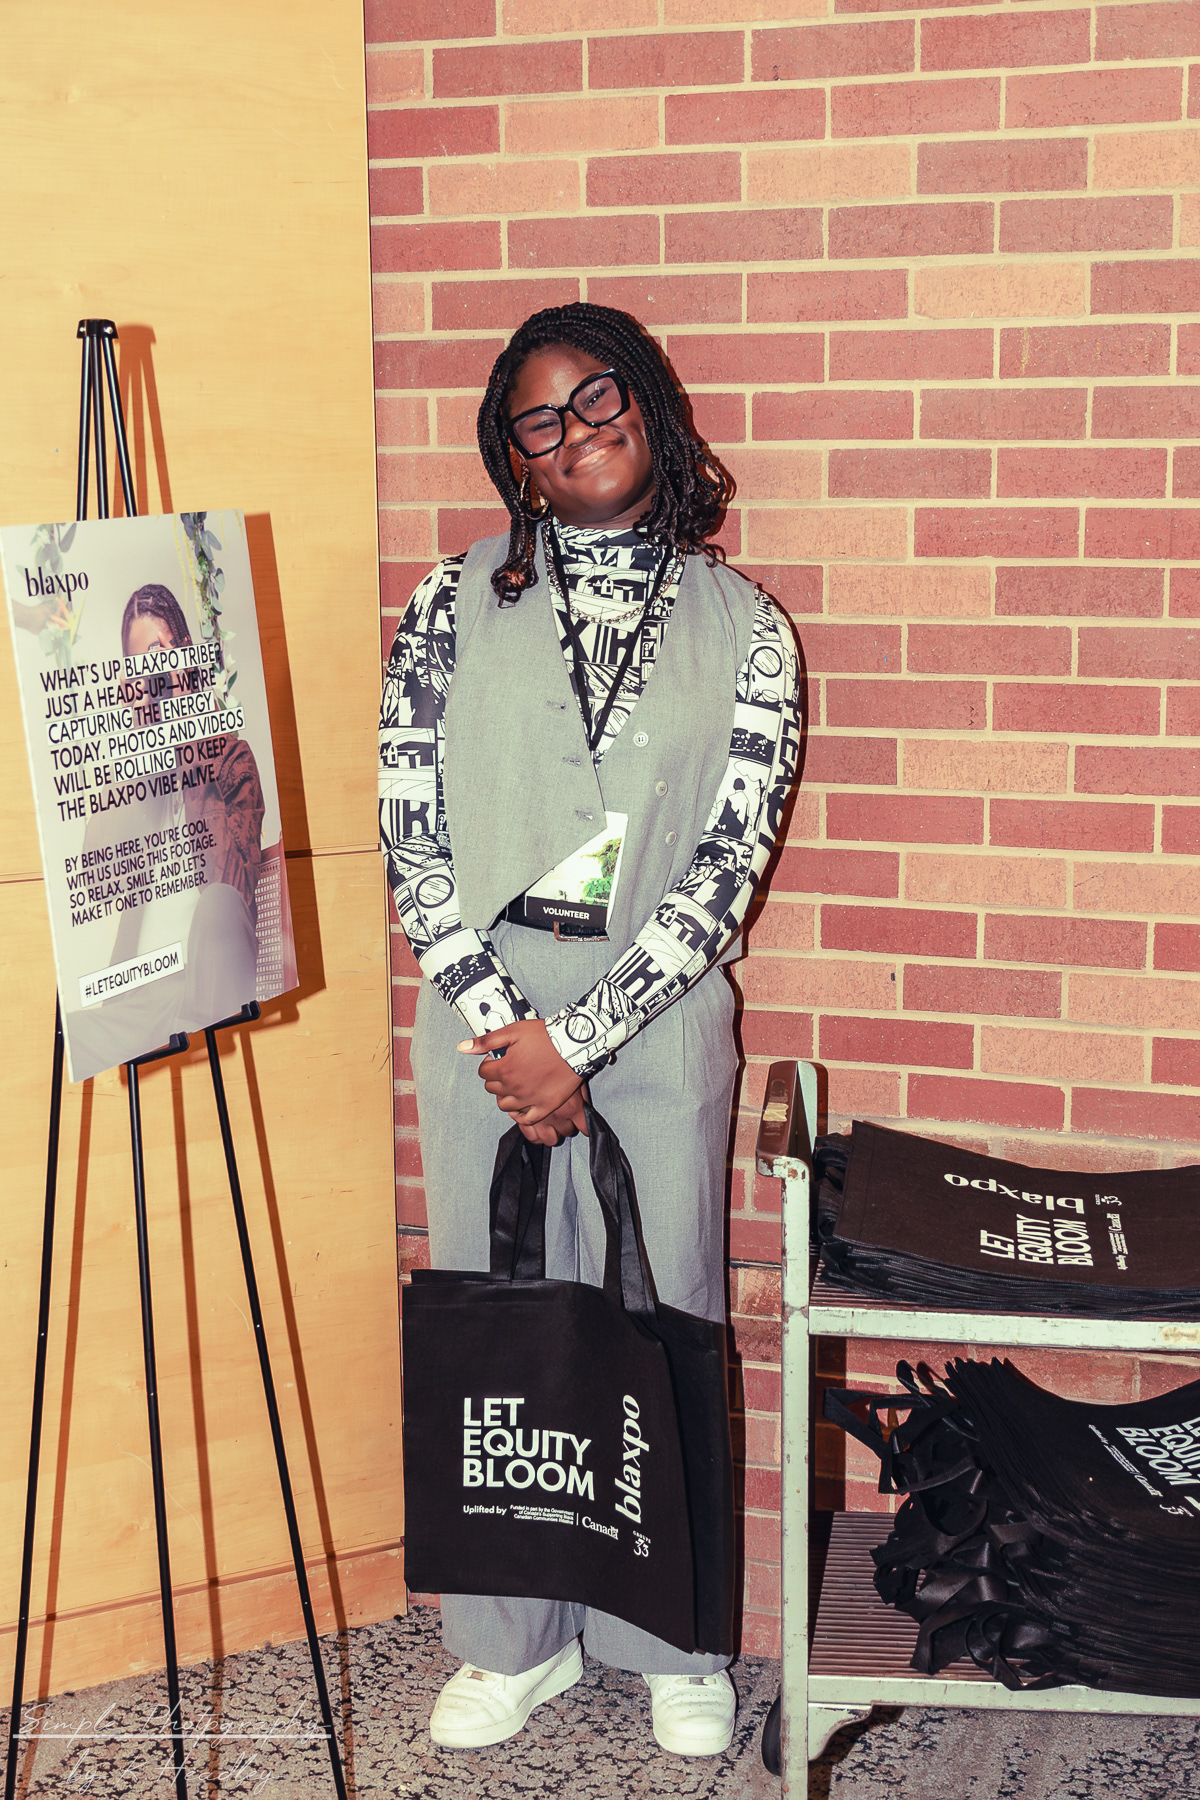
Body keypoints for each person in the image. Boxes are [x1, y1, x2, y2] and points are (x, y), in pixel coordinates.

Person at [378, 303, 801, 1758]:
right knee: (501, 1322)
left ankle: (669, 1638)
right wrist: (507, 1025)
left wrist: (587, 1038)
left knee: (658, 1314)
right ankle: (511, 1639)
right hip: (481, 1034)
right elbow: (411, 833)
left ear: (652, 407)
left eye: (597, 397)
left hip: (659, 1032)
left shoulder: (748, 629)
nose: (575, 433)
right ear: (514, 456)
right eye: (538, 420)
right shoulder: (446, 605)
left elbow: (727, 864)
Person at [64, 583, 263, 1073]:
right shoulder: (136, 779)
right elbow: (97, 883)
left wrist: (190, 729)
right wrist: (137, 749)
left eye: (164, 653)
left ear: (186, 654)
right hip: (146, 996)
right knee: (73, 1036)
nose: (157, 675)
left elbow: (236, 884)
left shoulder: (232, 760)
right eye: (142, 667)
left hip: (209, 982)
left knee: (218, 904)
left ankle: (182, 1014)